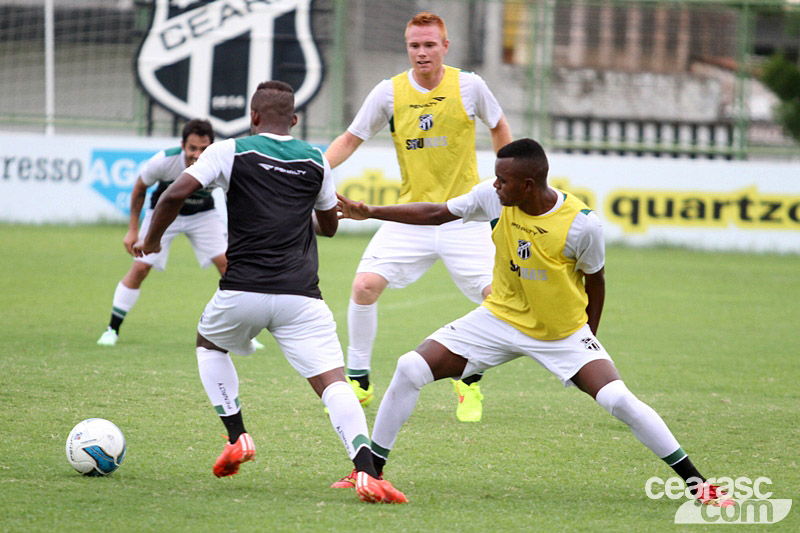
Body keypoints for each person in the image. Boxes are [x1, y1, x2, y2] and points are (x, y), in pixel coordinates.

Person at [336, 138, 731, 506]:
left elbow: (597, 281)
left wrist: (586, 337)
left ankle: (699, 485)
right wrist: (370, 212)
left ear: (528, 184)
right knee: (410, 367)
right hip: (498, 318)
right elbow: (438, 213)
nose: (495, 185)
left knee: (618, 399)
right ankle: (370, 471)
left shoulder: (582, 224)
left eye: (503, 180)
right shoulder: (494, 199)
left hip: (561, 333)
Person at [133, 81, 406, 504]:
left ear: (253, 116)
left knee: (209, 344)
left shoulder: (230, 150)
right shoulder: (316, 159)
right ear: (294, 120)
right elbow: (329, 226)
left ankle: (237, 435)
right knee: (334, 383)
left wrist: (151, 239)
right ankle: (367, 471)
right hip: (302, 297)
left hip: (242, 291)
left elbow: (173, 193)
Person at [324, 11, 512, 425]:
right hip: (410, 217)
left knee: (495, 300)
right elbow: (351, 138)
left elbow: (499, 125)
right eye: (414, 45)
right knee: (363, 286)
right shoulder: (388, 93)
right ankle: (358, 379)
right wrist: (316, 171)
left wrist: (507, 173)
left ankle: (468, 379)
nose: (422, 52)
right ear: (407, 47)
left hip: (466, 219)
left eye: (430, 45)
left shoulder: (469, 86)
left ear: (446, 46)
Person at [97, 119, 265, 350]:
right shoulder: (163, 161)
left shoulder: (222, 162)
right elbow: (140, 187)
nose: (197, 154)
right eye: (192, 148)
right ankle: (112, 329)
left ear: (211, 146)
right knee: (140, 267)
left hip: (202, 215)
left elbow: (236, 197)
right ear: (183, 145)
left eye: (204, 148)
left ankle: (245, 332)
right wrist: (133, 230)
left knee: (229, 266)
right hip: (163, 214)